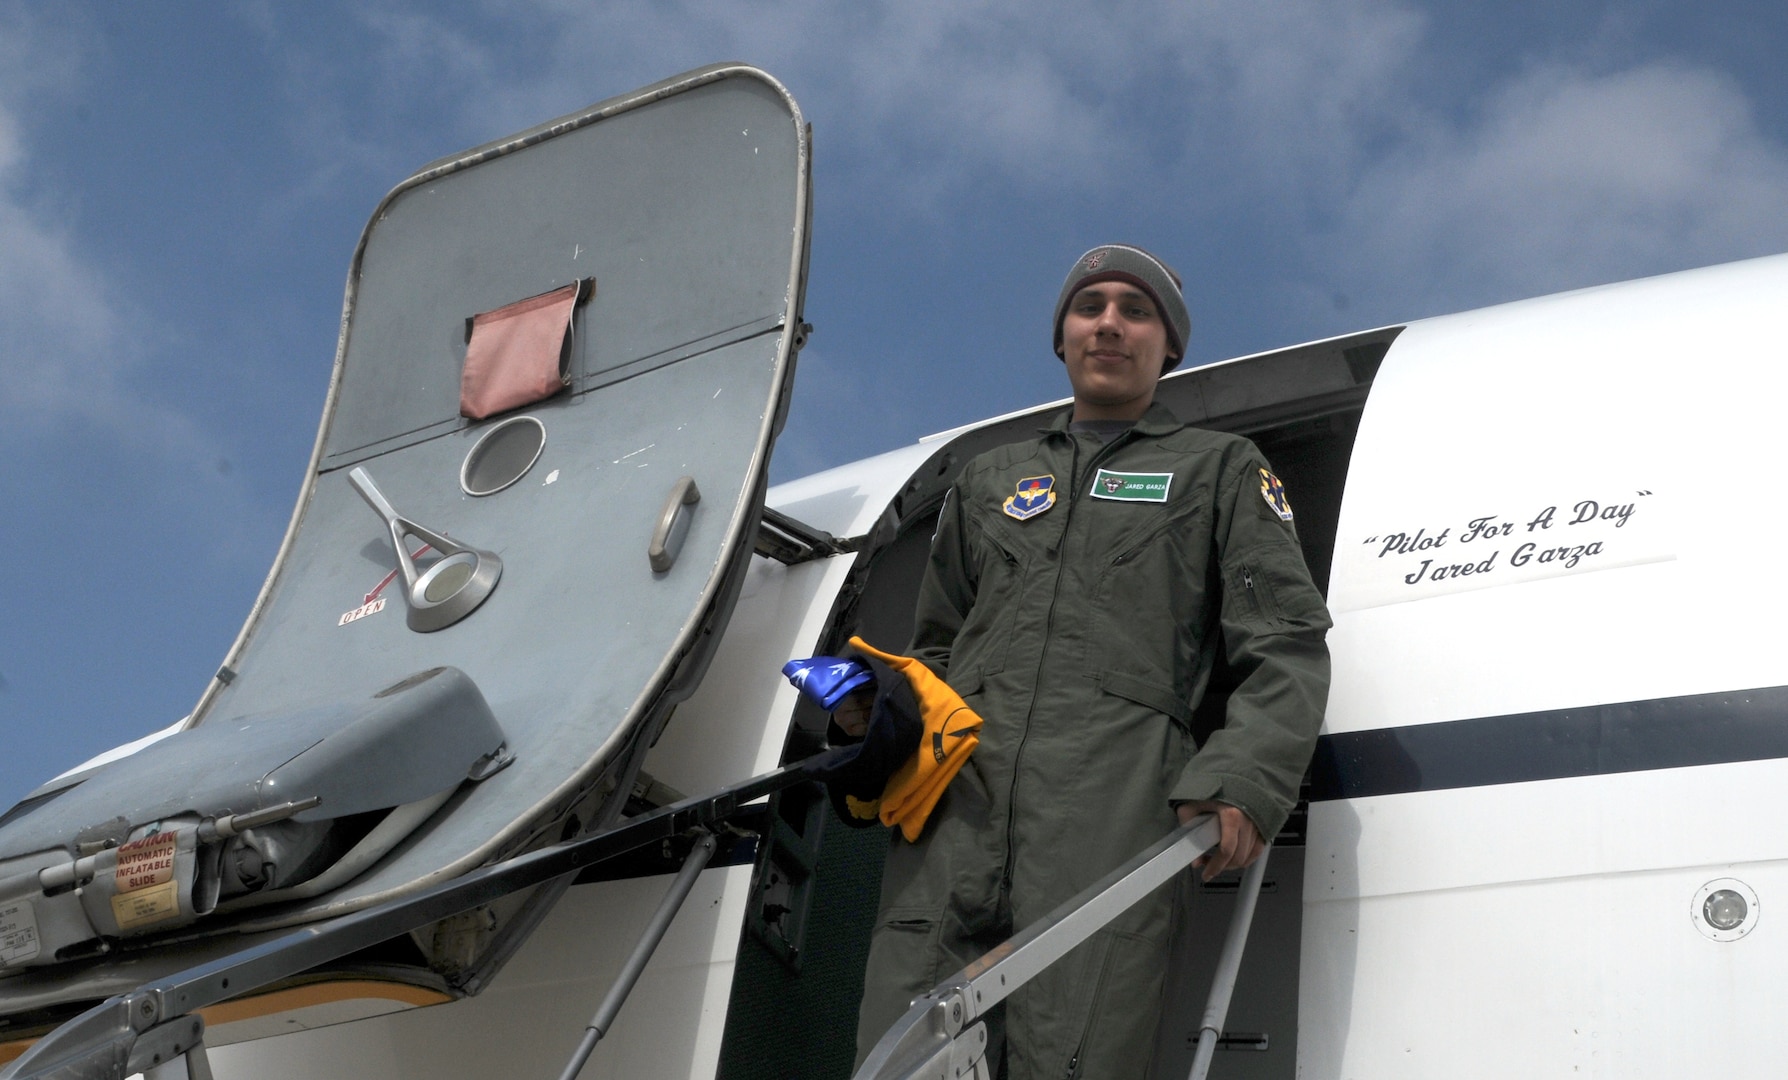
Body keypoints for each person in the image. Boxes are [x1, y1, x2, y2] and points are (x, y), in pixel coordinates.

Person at [851, 244, 1333, 1079]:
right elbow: (937, 646)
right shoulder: (987, 481)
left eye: (1136, 310)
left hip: (1112, 808)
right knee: (901, 1055)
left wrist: (1242, 779)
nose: (1110, 323)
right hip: (954, 813)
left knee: (1078, 1054)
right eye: (1091, 306)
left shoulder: (1218, 471)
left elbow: (1284, 642)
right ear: (1063, 336)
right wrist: (881, 712)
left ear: (1168, 346)